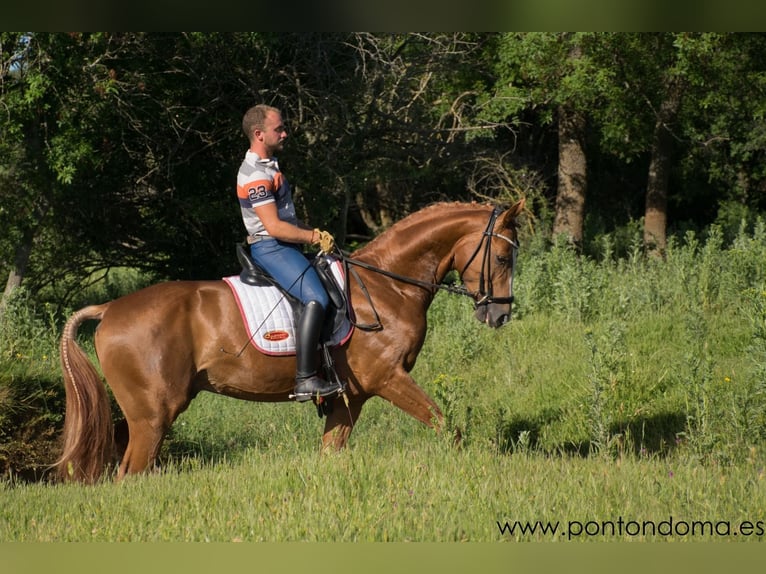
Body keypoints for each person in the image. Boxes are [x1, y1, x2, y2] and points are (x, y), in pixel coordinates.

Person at [236, 104, 337, 402]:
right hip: (271, 248)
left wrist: (313, 232)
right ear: (259, 134)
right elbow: (274, 227)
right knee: (316, 297)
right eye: (278, 128)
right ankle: (306, 378)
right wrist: (313, 236)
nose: (285, 132)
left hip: (284, 244)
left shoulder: (269, 166)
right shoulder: (255, 175)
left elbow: (287, 221)